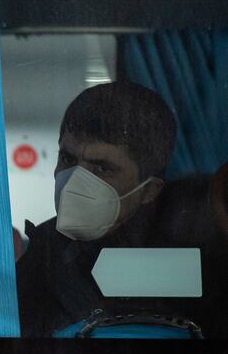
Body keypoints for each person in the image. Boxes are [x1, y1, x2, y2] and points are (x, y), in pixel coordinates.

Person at [16, 81, 228, 338]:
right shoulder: (43, 248)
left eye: (102, 168)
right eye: (68, 160)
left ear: (149, 190)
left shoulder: (192, 252)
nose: (74, 182)